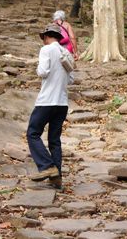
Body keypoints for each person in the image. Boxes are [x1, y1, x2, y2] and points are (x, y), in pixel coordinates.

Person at [27, 23, 74, 189]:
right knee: (54, 139)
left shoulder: (46, 50)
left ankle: (47, 166)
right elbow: (71, 79)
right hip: (62, 102)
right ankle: (57, 177)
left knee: (33, 133)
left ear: (47, 37)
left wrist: (38, 68)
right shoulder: (66, 52)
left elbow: (43, 72)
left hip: (47, 100)